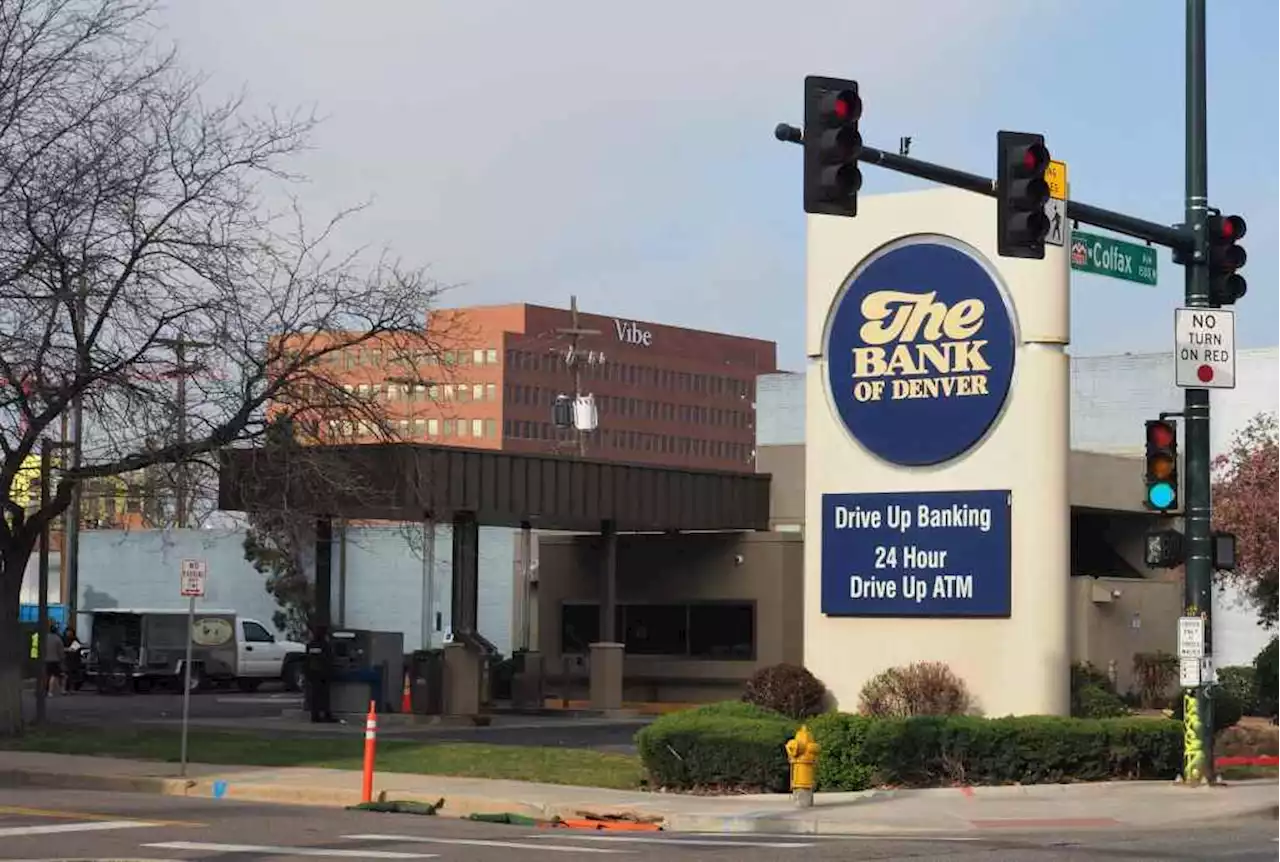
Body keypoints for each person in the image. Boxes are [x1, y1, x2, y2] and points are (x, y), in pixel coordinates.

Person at [306, 626, 335, 723]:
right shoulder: (325, 645)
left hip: (313, 673)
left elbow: (307, 660)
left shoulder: (310, 645)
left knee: (315, 696)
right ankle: (326, 715)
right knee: (325, 696)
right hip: (323, 674)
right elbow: (329, 660)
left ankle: (315, 716)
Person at [44, 622, 64, 696]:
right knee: (54, 675)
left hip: (45, 659)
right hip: (55, 659)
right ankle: (50, 691)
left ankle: (43, 690)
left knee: (46, 675)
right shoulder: (58, 639)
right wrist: (62, 658)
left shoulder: (45, 637)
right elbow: (61, 651)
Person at [62, 626, 83, 693]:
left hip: (74, 660)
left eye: (70, 632)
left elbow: (74, 649)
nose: (69, 633)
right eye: (68, 632)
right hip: (66, 660)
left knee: (72, 676)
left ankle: (71, 689)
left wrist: (66, 649)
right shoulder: (63, 639)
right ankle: (65, 689)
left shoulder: (75, 640)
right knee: (66, 675)